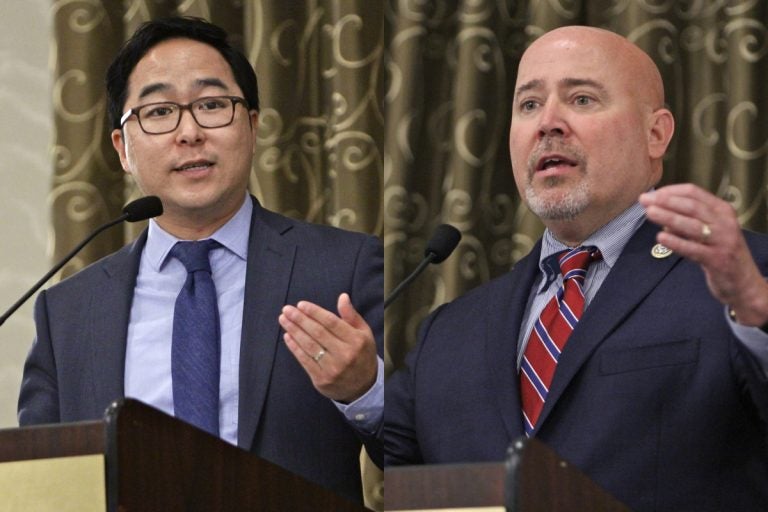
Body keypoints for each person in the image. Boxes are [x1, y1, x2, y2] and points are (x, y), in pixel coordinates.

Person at [384, 25, 768, 511]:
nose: (548, 123)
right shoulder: (450, 331)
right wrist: (354, 388)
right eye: (528, 105)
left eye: (582, 99)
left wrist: (758, 312)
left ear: (656, 134)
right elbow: (392, 471)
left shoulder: (748, 278)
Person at [18, 17, 383, 504]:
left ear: (252, 126)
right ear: (122, 148)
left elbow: (423, 450)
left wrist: (365, 391)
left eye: (212, 105)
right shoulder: (68, 312)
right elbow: (41, 486)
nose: (189, 132)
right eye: (159, 111)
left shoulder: (342, 268)